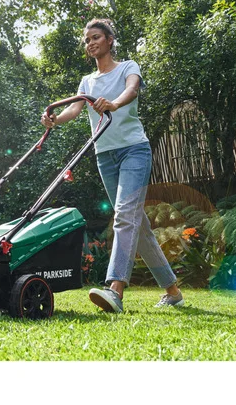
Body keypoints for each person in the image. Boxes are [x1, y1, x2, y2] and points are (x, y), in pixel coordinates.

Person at [41, 18, 184, 313]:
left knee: (123, 216)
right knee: (137, 225)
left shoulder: (127, 67)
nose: (90, 43)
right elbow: (74, 108)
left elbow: (131, 90)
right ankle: (172, 290)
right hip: (104, 155)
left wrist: (115, 103)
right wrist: (54, 121)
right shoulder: (87, 82)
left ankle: (115, 289)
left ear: (109, 40)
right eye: (87, 40)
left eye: (96, 37)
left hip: (134, 150)